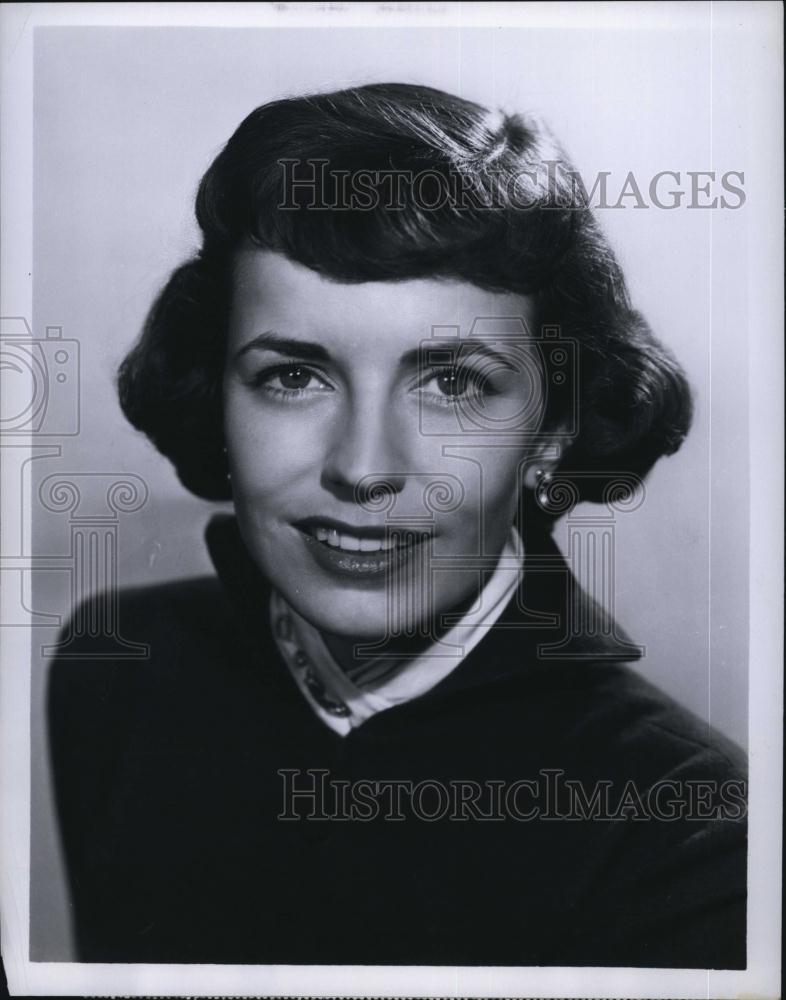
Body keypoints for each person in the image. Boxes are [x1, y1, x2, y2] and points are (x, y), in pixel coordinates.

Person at [47, 83, 747, 968]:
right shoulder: (119, 671)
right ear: (216, 400)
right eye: (294, 376)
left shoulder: (694, 837)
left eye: (452, 383)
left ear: (553, 431)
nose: (364, 466)